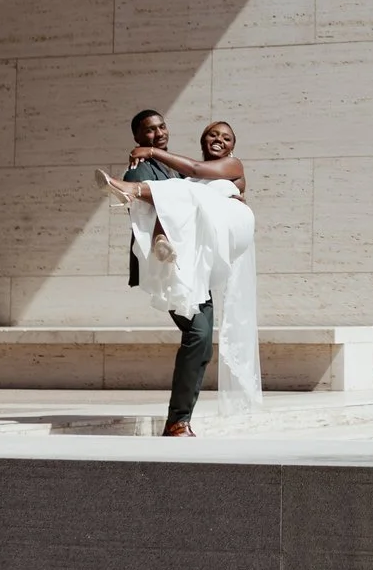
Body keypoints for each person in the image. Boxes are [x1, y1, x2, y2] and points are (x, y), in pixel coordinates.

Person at [98, 120, 263, 429]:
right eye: (212, 134)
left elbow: (198, 171)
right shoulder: (172, 175)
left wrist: (150, 153)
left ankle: (132, 192)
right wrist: (143, 161)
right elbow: (190, 177)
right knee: (199, 337)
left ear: (232, 148)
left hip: (224, 232)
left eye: (226, 137)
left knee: (180, 191)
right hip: (192, 259)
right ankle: (179, 422)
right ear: (202, 141)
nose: (218, 139)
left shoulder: (225, 167)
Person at [119, 109, 214, 436]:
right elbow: (135, 197)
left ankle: (181, 419)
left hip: (194, 264)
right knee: (198, 334)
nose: (157, 134)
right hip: (168, 268)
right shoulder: (140, 168)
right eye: (149, 131)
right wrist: (132, 181)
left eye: (161, 127)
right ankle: (177, 421)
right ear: (137, 138)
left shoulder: (171, 167)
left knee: (203, 342)